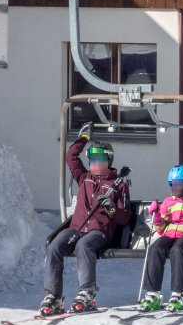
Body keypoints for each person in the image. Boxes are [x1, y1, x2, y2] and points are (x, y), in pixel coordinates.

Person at [40, 132, 131, 315]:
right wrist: (84, 138)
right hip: (77, 228)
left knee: (84, 245)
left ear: (109, 160)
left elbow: (124, 217)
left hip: (99, 232)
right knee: (55, 246)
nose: (95, 163)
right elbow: (71, 156)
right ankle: (53, 296)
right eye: (92, 159)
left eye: (100, 159)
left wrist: (112, 208)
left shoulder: (118, 185)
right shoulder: (84, 178)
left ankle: (86, 293)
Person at [137, 165, 183, 312]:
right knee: (155, 248)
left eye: (180, 184)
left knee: (177, 250)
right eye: (173, 184)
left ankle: (178, 295)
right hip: (170, 233)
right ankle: (153, 294)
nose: (176, 187)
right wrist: (156, 215)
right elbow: (160, 228)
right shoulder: (168, 202)